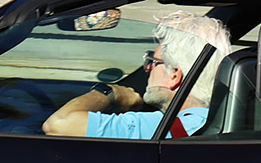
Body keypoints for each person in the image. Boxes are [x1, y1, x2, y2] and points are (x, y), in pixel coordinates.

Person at [44, 11, 232, 138]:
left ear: (175, 76)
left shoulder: (164, 127)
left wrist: (110, 93)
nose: (148, 68)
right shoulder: (223, 121)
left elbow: (57, 124)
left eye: (154, 62)